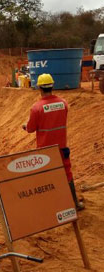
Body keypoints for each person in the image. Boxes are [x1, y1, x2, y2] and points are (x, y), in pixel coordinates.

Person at [22, 73, 84, 210]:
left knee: (46, 176)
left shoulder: (36, 108)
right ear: (52, 86)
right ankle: (75, 203)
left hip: (45, 150)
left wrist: (25, 126)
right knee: (67, 174)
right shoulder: (63, 103)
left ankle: (50, 207)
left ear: (39, 88)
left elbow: (31, 128)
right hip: (62, 148)